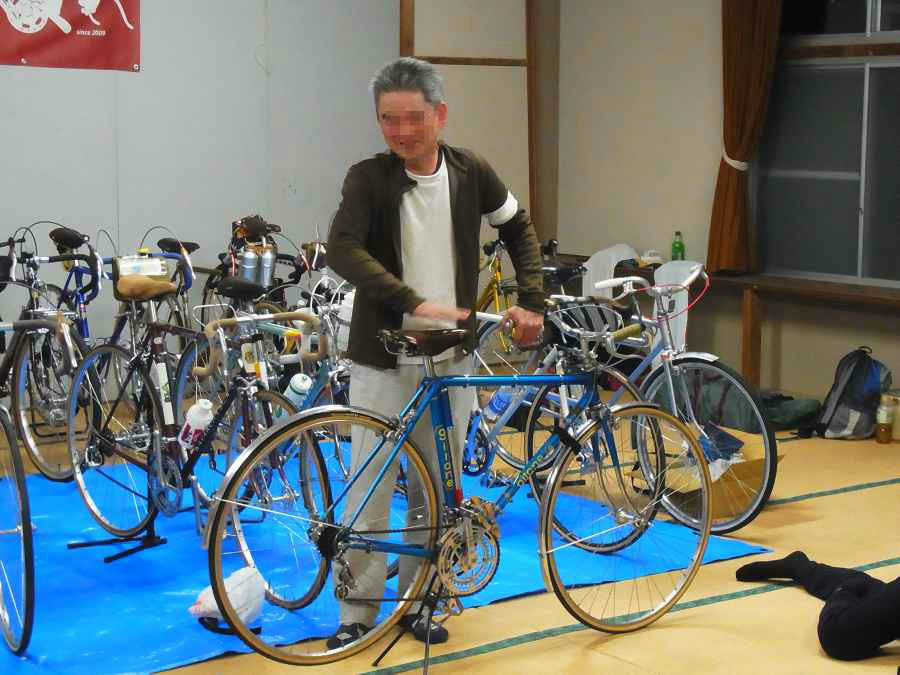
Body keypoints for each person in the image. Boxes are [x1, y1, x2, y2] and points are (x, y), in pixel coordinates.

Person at [325, 56, 545, 648]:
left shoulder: (471, 171)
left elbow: (517, 226)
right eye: (388, 119)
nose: (401, 132)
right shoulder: (367, 179)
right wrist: (413, 300)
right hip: (382, 356)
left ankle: (423, 599)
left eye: (413, 118)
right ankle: (356, 613)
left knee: (437, 489)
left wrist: (533, 299)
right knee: (369, 487)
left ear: (440, 114)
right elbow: (343, 248)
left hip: (452, 360)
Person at [736, 551, 900, 660]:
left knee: (863, 585)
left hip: (854, 628)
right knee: (857, 587)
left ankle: (799, 567)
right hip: (837, 627)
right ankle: (798, 567)